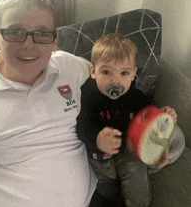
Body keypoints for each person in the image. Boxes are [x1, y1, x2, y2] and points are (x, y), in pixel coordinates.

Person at [0, 0, 97, 207]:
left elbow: (116, 81)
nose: (29, 45)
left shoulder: (70, 67)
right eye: (15, 32)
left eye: (41, 34)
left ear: (54, 39)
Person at [76, 34, 185, 207]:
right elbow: (81, 125)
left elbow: (149, 112)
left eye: (124, 73)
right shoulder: (88, 96)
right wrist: (96, 138)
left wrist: (163, 116)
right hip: (99, 155)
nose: (116, 80)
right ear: (93, 72)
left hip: (129, 147)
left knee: (136, 176)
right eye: (106, 72)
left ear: (134, 73)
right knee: (103, 186)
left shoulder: (134, 95)